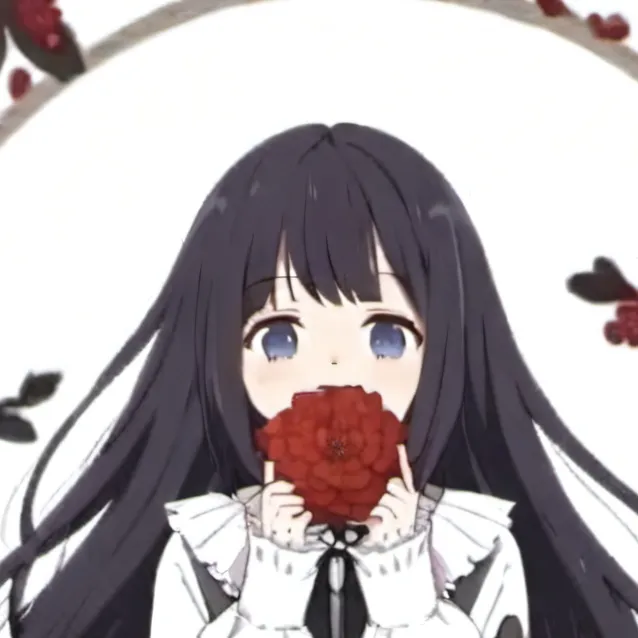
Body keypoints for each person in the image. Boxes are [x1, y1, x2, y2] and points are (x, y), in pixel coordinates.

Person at [0, 123, 637, 638]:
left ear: (449, 345)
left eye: (386, 337)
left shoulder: (479, 546)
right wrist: (272, 585)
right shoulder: (200, 548)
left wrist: (401, 580)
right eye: (279, 338)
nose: (334, 370)